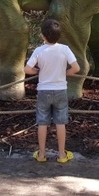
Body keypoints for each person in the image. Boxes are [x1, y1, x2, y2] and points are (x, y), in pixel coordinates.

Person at [24, 18, 81, 163]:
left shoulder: (39, 50)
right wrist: (65, 73)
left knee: (42, 122)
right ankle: (62, 155)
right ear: (59, 35)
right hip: (60, 90)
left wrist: (38, 71)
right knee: (60, 122)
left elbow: (27, 69)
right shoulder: (64, 49)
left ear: (43, 35)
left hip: (43, 90)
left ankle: (41, 154)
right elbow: (76, 68)